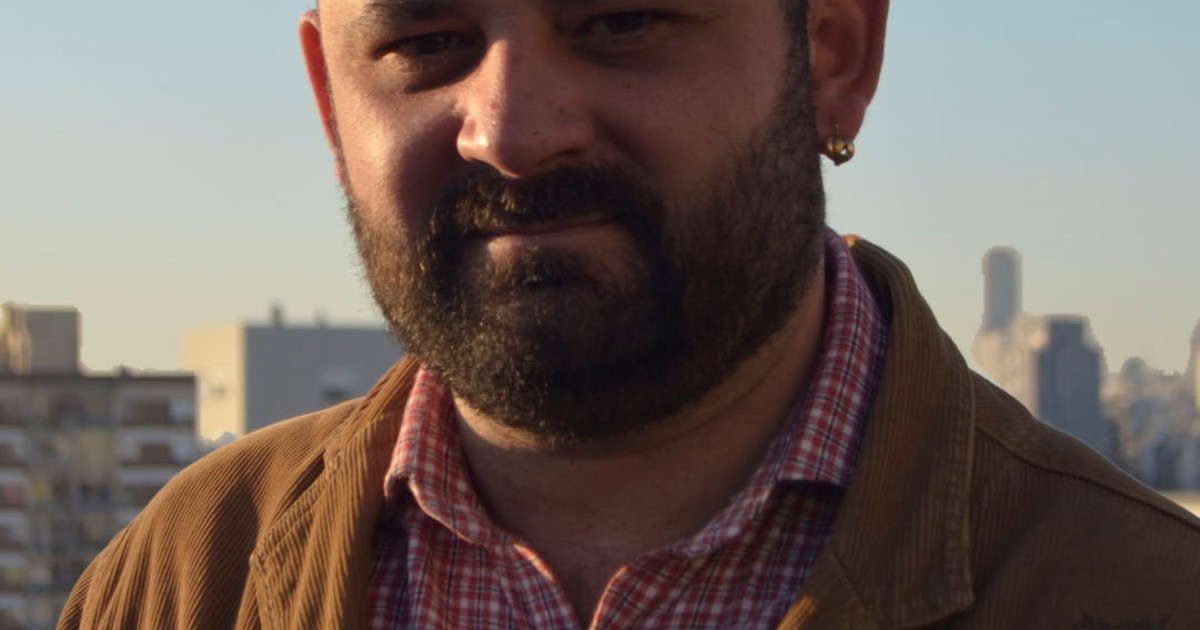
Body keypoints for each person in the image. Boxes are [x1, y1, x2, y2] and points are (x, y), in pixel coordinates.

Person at [60, 0, 1200, 628]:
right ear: (329, 103)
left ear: (832, 53)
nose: (513, 130)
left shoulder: (1138, 594)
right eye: (426, 43)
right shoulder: (189, 580)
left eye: (618, 21)